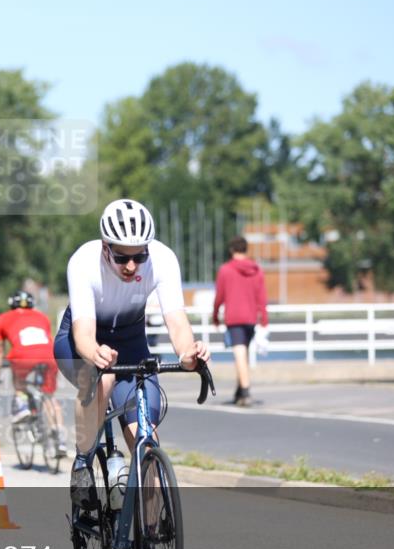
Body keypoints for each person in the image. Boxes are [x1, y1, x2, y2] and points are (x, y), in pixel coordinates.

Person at [54, 199, 209, 506]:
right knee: (102, 381)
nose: (130, 266)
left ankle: (149, 540)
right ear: (104, 247)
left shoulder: (163, 259)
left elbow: (177, 322)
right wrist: (94, 354)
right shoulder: (84, 262)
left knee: (145, 438)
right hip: (81, 340)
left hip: (130, 341)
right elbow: (83, 333)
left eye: (139, 256)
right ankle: (83, 461)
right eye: (121, 257)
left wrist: (188, 354)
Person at [0, 290, 66, 455]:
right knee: (49, 397)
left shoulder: (3, 318)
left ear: (12, 304)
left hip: (23, 356)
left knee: (19, 382)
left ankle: (22, 406)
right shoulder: (42, 317)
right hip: (49, 355)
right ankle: (59, 437)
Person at [212, 236, 268, 407]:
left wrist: (215, 315)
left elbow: (220, 295)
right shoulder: (257, 270)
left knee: (240, 355)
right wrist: (264, 318)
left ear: (231, 250)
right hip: (251, 318)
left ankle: (245, 391)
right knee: (242, 356)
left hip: (234, 318)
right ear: (246, 250)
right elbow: (262, 296)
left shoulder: (225, 270)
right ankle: (239, 391)